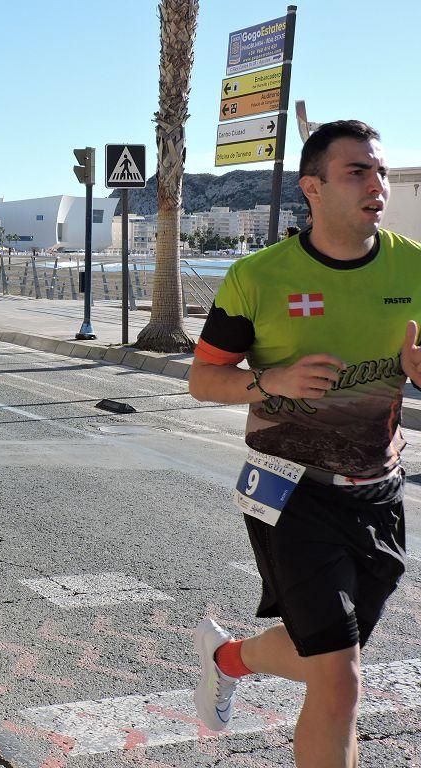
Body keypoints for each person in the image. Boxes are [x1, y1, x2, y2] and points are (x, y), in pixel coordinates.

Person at [188, 120, 419, 767]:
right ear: (311, 188)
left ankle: (227, 657)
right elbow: (203, 380)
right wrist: (271, 380)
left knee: (328, 660)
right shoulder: (259, 278)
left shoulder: (415, 267)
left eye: (381, 171)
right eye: (358, 172)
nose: (378, 184)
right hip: (292, 495)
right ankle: (229, 659)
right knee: (340, 679)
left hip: (380, 497)